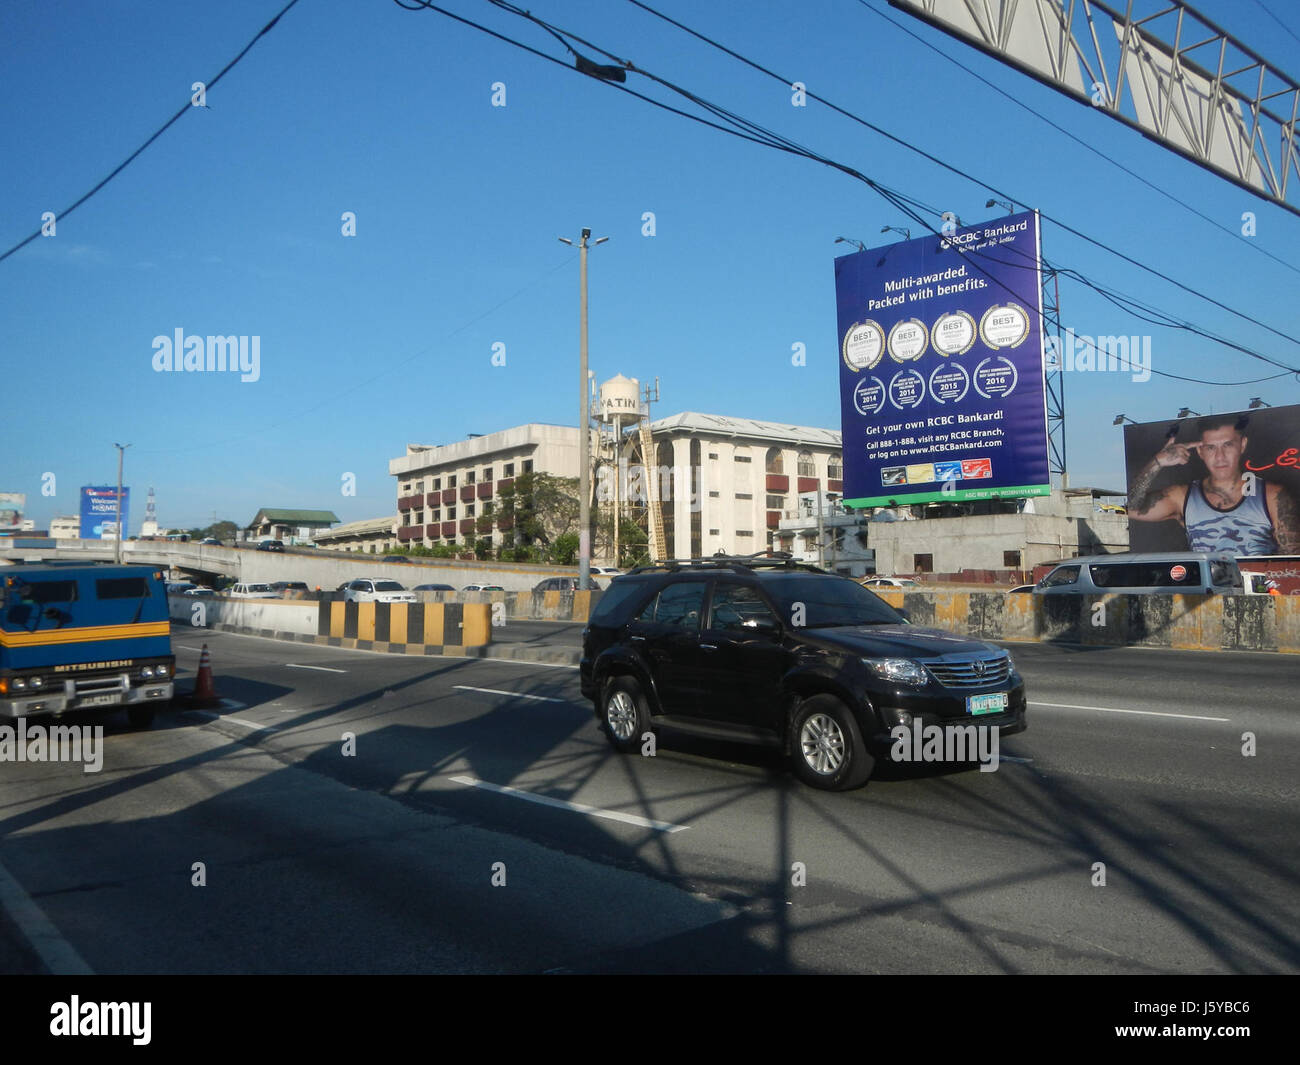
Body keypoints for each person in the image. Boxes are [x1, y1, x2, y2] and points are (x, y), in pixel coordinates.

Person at [1127, 414, 1299, 554]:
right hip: (1208, 594)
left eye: (1228, 445)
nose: (1220, 456)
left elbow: (1291, 562)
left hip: (1259, 594)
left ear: (1242, 445)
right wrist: (1158, 462)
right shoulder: (1182, 496)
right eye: (1211, 448)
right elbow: (1131, 509)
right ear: (1200, 451)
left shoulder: (1271, 496)